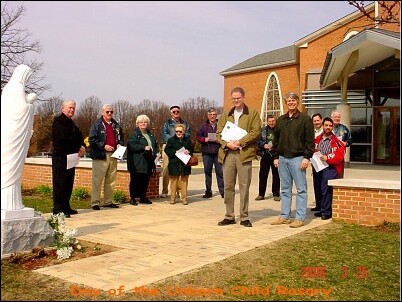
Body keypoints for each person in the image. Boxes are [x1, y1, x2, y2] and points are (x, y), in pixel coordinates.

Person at [216, 87, 261, 227]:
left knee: (244, 186)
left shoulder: (252, 113)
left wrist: (240, 142)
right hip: (228, 154)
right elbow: (218, 133)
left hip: (244, 154)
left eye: (238, 98)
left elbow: (256, 132)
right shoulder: (226, 115)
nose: (236, 101)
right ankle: (229, 216)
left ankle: (244, 216)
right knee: (228, 186)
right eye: (234, 98)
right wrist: (227, 144)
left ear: (243, 97)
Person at [271, 92, 314, 228]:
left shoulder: (305, 119)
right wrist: (276, 156)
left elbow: (310, 141)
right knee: (285, 189)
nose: (291, 103)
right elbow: (276, 140)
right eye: (289, 101)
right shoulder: (281, 120)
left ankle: (300, 218)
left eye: (293, 100)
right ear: (286, 102)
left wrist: (307, 157)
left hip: (298, 158)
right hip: (283, 159)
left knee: (301, 189)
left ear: (297, 102)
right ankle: (284, 216)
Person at [1, 64, 37, 211]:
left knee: (9, 166)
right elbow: (21, 109)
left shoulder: (7, 88)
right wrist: (30, 101)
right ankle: (9, 204)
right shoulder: (17, 88)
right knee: (11, 166)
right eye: (27, 76)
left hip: (7, 131)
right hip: (14, 133)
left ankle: (9, 202)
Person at [51, 100, 86, 218]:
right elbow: (63, 140)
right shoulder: (58, 122)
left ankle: (66, 206)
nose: (72, 110)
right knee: (60, 183)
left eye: (73, 108)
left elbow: (79, 136)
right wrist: (77, 147)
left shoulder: (72, 123)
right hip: (61, 158)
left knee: (68, 183)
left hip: (71, 158)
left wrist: (82, 146)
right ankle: (58, 209)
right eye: (70, 108)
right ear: (63, 108)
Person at [88, 104, 124, 210]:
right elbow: (92, 139)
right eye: (107, 112)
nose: (109, 114)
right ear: (102, 112)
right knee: (97, 180)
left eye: (111, 112)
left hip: (114, 155)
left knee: (111, 180)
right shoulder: (97, 125)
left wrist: (119, 144)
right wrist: (104, 146)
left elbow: (121, 137)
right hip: (101, 155)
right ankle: (95, 202)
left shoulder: (116, 125)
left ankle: (108, 201)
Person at [313, 117, 345, 220]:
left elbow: (340, 155)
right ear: (323, 126)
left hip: (331, 167)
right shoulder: (317, 139)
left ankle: (327, 212)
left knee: (325, 188)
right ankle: (322, 209)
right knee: (318, 188)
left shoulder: (337, 141)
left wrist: (327, 157)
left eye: (330, 126)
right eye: (326, 125)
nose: (328, 127)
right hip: (318, 166)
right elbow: (312, 150)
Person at [126, 114, 159, 205]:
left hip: (148, 161)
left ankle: (142, 197)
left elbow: (155, 145)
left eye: (145, 122)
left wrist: (156, 152)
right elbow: (131, 146)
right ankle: (132, 198)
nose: (143, 124)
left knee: (145, 180)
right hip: (137, 161)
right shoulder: (134, 134)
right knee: (135, 180)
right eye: (141, 122)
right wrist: (143, 147)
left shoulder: (150, 134)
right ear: (137, 124)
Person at [160, 105, 191, 198]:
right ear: (171, 113)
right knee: (166, 168)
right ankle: (165, 190)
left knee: (180, 169)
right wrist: (174, 140)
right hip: (169, 146)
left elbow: (188, 133)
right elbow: (164, 135)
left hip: (182, 147)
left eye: (177, 111)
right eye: (174, 112)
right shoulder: (167, 123)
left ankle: (179, 190)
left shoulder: (185, 123)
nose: (176, 113)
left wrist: (180, 139)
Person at [196, 108, 224, 199]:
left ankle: (223, 192)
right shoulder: (203, 126)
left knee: (220, 172)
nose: (212, 116)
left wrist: (219, 140)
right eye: (210, 114)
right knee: (207, 172)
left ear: (216, 115)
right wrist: (204, 139)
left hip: (217, 152)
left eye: (214, 114)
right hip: (207, 153)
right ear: (208, 116)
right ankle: (208, 191)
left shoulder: (220, 125)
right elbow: (198, 136)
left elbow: (225, 137)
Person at [164, 123, 194, 205]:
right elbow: (167, 150)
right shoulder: (171, 140)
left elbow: (191, 149)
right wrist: (175, 152)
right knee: (174, 182)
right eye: (176, 131)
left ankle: (184, 198)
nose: (178, 133)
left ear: (183, 131)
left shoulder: (187, 140)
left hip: (185, 163)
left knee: (184, 182)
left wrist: (189, 151)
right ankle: (172, 198)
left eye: (180, 131)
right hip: (174, 163)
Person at [255, 114, 280, 201]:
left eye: (273, 121)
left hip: (275, 155)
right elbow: (257, 141)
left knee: (276, 175)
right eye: (269, 121)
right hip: (265, 154)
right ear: (267, 121)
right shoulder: (262, 130)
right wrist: (263, 145)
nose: (271, 123)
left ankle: (276, 194)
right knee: (263, 175)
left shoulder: (279, 130)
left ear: (275, 121)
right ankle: (261, 194)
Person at [331, 110, 352, 178]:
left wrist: (345, 143)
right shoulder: (328, 127)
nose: (337, 118)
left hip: (340, 157)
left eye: (338, 117)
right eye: (335, 117)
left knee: (339, 176)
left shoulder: (344, 128)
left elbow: (350, 140)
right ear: (331, 118)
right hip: (329, 156)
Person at [311, 113, 323, 212]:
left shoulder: (325, 131)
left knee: (323, 184)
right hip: (314, 162)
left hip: (324, 162)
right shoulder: (311, 132)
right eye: (314, 121)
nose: (316, 123)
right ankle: (318, 205)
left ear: (321, 120)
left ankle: (324, 206)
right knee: (316, 183)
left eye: (317, 120)